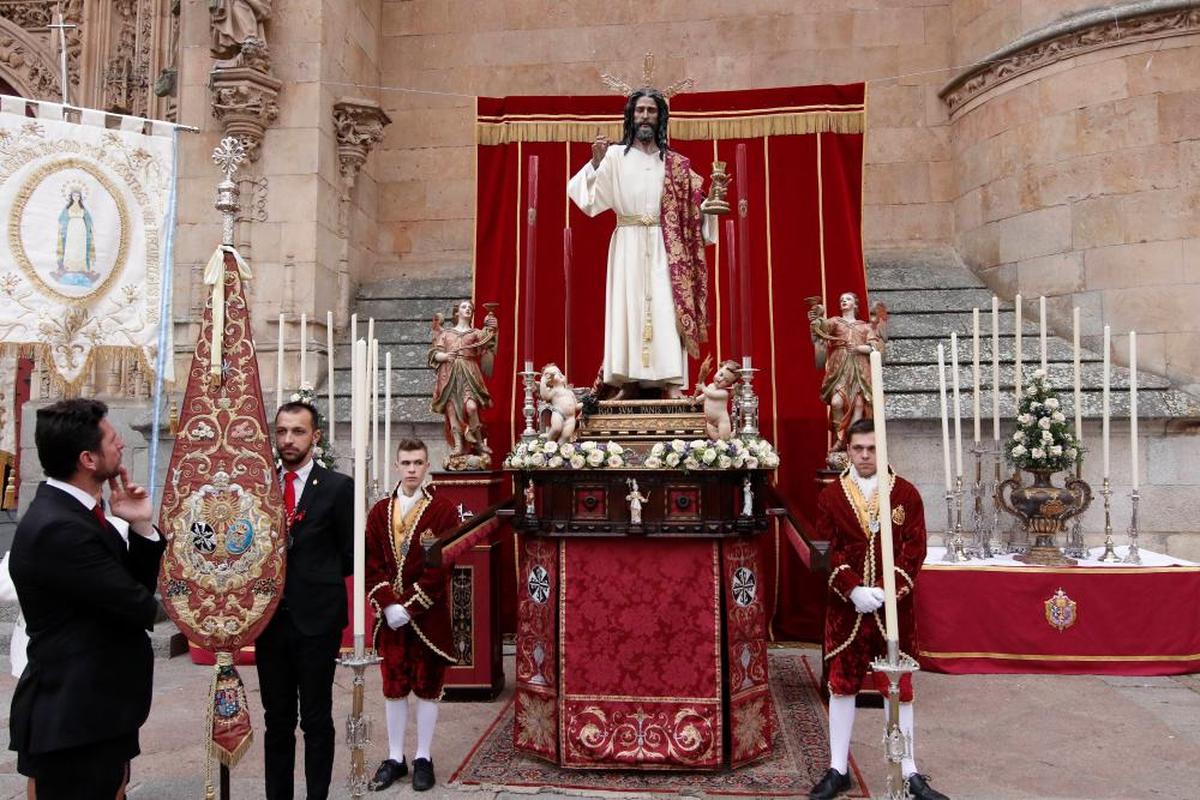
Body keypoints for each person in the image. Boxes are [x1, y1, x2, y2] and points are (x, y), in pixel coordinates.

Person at [8, 399, 165, 799]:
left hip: (97, 710)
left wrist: (141, 525)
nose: (120, 447)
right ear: (88, 459)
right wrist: (203, 605)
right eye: (113, 440)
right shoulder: (59, 528)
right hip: (73, 717)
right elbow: (138, 604)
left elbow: (133, 590)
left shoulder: (79, 515)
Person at [809, 419, 948, 800]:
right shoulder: (830, 497)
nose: (866, 456)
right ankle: (837, 768)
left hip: (893, 611)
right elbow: (825, 549)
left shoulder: (905, 494)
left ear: (882, 449)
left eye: (872, 448)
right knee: (842, 684)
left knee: (900, 687)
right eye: (858, 449)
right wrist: (852, 589)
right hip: (846, 610)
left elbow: (913, 549)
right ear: (847, 451)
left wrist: (888, 591)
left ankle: (910, 770)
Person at [567, 87, 719, 398]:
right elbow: (589, 199)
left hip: (666, 244)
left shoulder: (675, 164)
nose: (645, 116)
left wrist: (710, 206)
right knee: (629, 310)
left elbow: (695, 205)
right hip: (628, 241)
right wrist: (595, 164)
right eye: (640, 111)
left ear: (661, 117)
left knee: (666, 308)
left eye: (651, 110)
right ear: (631, 116)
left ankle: (671, 382)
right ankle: (628, 382)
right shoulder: (613, 156)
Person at [256, 401, 353, 800]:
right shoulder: (261, 488)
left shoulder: (336, 488)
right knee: (276, 720)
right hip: (269, 621)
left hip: (316, 621)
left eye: (297, 432)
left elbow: (349, 555)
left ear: (315, 437)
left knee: (315, 718)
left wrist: (313, 579)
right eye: (281, 431)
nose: (288, 440)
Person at [366, 438, 459, 792]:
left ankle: (423, 756)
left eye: (418, 463)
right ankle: (394, 757)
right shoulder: (377, 513)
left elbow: (440, 567)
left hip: (428, 619)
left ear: (427, 466)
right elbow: (372, 564)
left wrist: (410, 607)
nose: (411, 470)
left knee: (427, 685)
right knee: (393, 685)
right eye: (405, 463)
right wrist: (389, 605)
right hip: (390, 619)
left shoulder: (443, 511)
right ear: (396, 465)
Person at [810, 292, 886, 454]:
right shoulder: (836, 322)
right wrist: (817, 316)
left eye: (848, 299)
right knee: (837, 403)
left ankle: (851, 444)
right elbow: (821, 329)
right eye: (841, 299)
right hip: (840, 367)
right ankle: (841, 438)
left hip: (859, 369)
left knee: (859, 406)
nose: (844, 300)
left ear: (855, 304)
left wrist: (858, 348)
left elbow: (874, 347)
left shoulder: (864, 326)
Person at [429, 299, 497, 458]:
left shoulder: (475, 333)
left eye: (470, 308)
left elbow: (489, 344)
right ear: (457, 312)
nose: (467, 309)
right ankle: (458, 445)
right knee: (452, 409)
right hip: (450, 374)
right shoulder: (446, 334)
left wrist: (493, 326)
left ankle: (478, 443)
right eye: (464, 307)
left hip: (469, 372)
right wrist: (445, 356)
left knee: (472, 407)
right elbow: (434, 354)